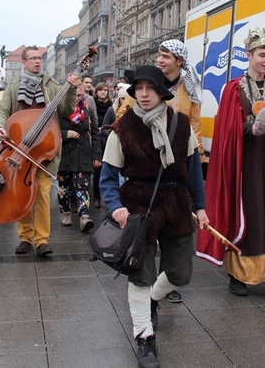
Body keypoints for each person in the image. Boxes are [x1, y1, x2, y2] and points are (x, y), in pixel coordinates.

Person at [100, 65, 208, 368]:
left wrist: (200, 206)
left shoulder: (182, 125)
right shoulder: (122, 128)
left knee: (180, 272)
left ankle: (152, 300)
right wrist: (114, 205)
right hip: (137, 204)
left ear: (162, 92)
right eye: (139, 89)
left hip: (175, 200)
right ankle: (144, 337)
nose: (143, 94)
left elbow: (194, 171)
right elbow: (108, 178)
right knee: (140, 273)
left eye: (150, 88)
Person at [196, 28, 265, 304]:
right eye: (261, 55)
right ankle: (240, 275)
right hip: (247, 165)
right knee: (250, 216)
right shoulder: (233, 88)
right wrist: (250, 128)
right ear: (249, 56)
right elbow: (226, 130)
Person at [116, 39, 205, 304]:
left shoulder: (189, 89)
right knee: (142, 237)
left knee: (176, 239)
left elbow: (195, 123)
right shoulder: (142, 85)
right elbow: (124, 116)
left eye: (166, 56)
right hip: (142, 163)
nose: (160, 60)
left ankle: (163, 285)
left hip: (174, 167)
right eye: (159, 55)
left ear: (179, 61)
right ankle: (144, 293)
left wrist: (194, 150)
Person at [0, 46, 79, 256]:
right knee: (22, 193)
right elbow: (2, 110)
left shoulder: (50, 85)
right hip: (20, 148)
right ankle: (24, 237)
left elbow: (66, 111)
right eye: (32, 58)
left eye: (39, 58)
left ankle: (41, 240)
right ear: (24, 62)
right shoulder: (13, 87)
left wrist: (71, 90)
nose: (37, 61)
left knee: (41, 195)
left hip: (44, 150)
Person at [57, 84, 101, 231]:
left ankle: (84, 216)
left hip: (83, 153)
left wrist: (96, 155)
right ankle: (65, 213)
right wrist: (65, 134)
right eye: (74, 96)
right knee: (63, 187)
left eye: (79, 96)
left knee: (82, 186)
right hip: (64, 155)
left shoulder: (86, 111)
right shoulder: (59, 111)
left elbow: (95, 133)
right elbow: (51, 131)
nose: (76, 99)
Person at [92, 82, 113, 208]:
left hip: (107, 140)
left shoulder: (111, 106)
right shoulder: (93, 104)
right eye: (100, 90)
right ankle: (96, 196)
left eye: (105, 90)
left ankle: (106, 196)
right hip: (96, 139)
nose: (103, 92)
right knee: (97, 169)